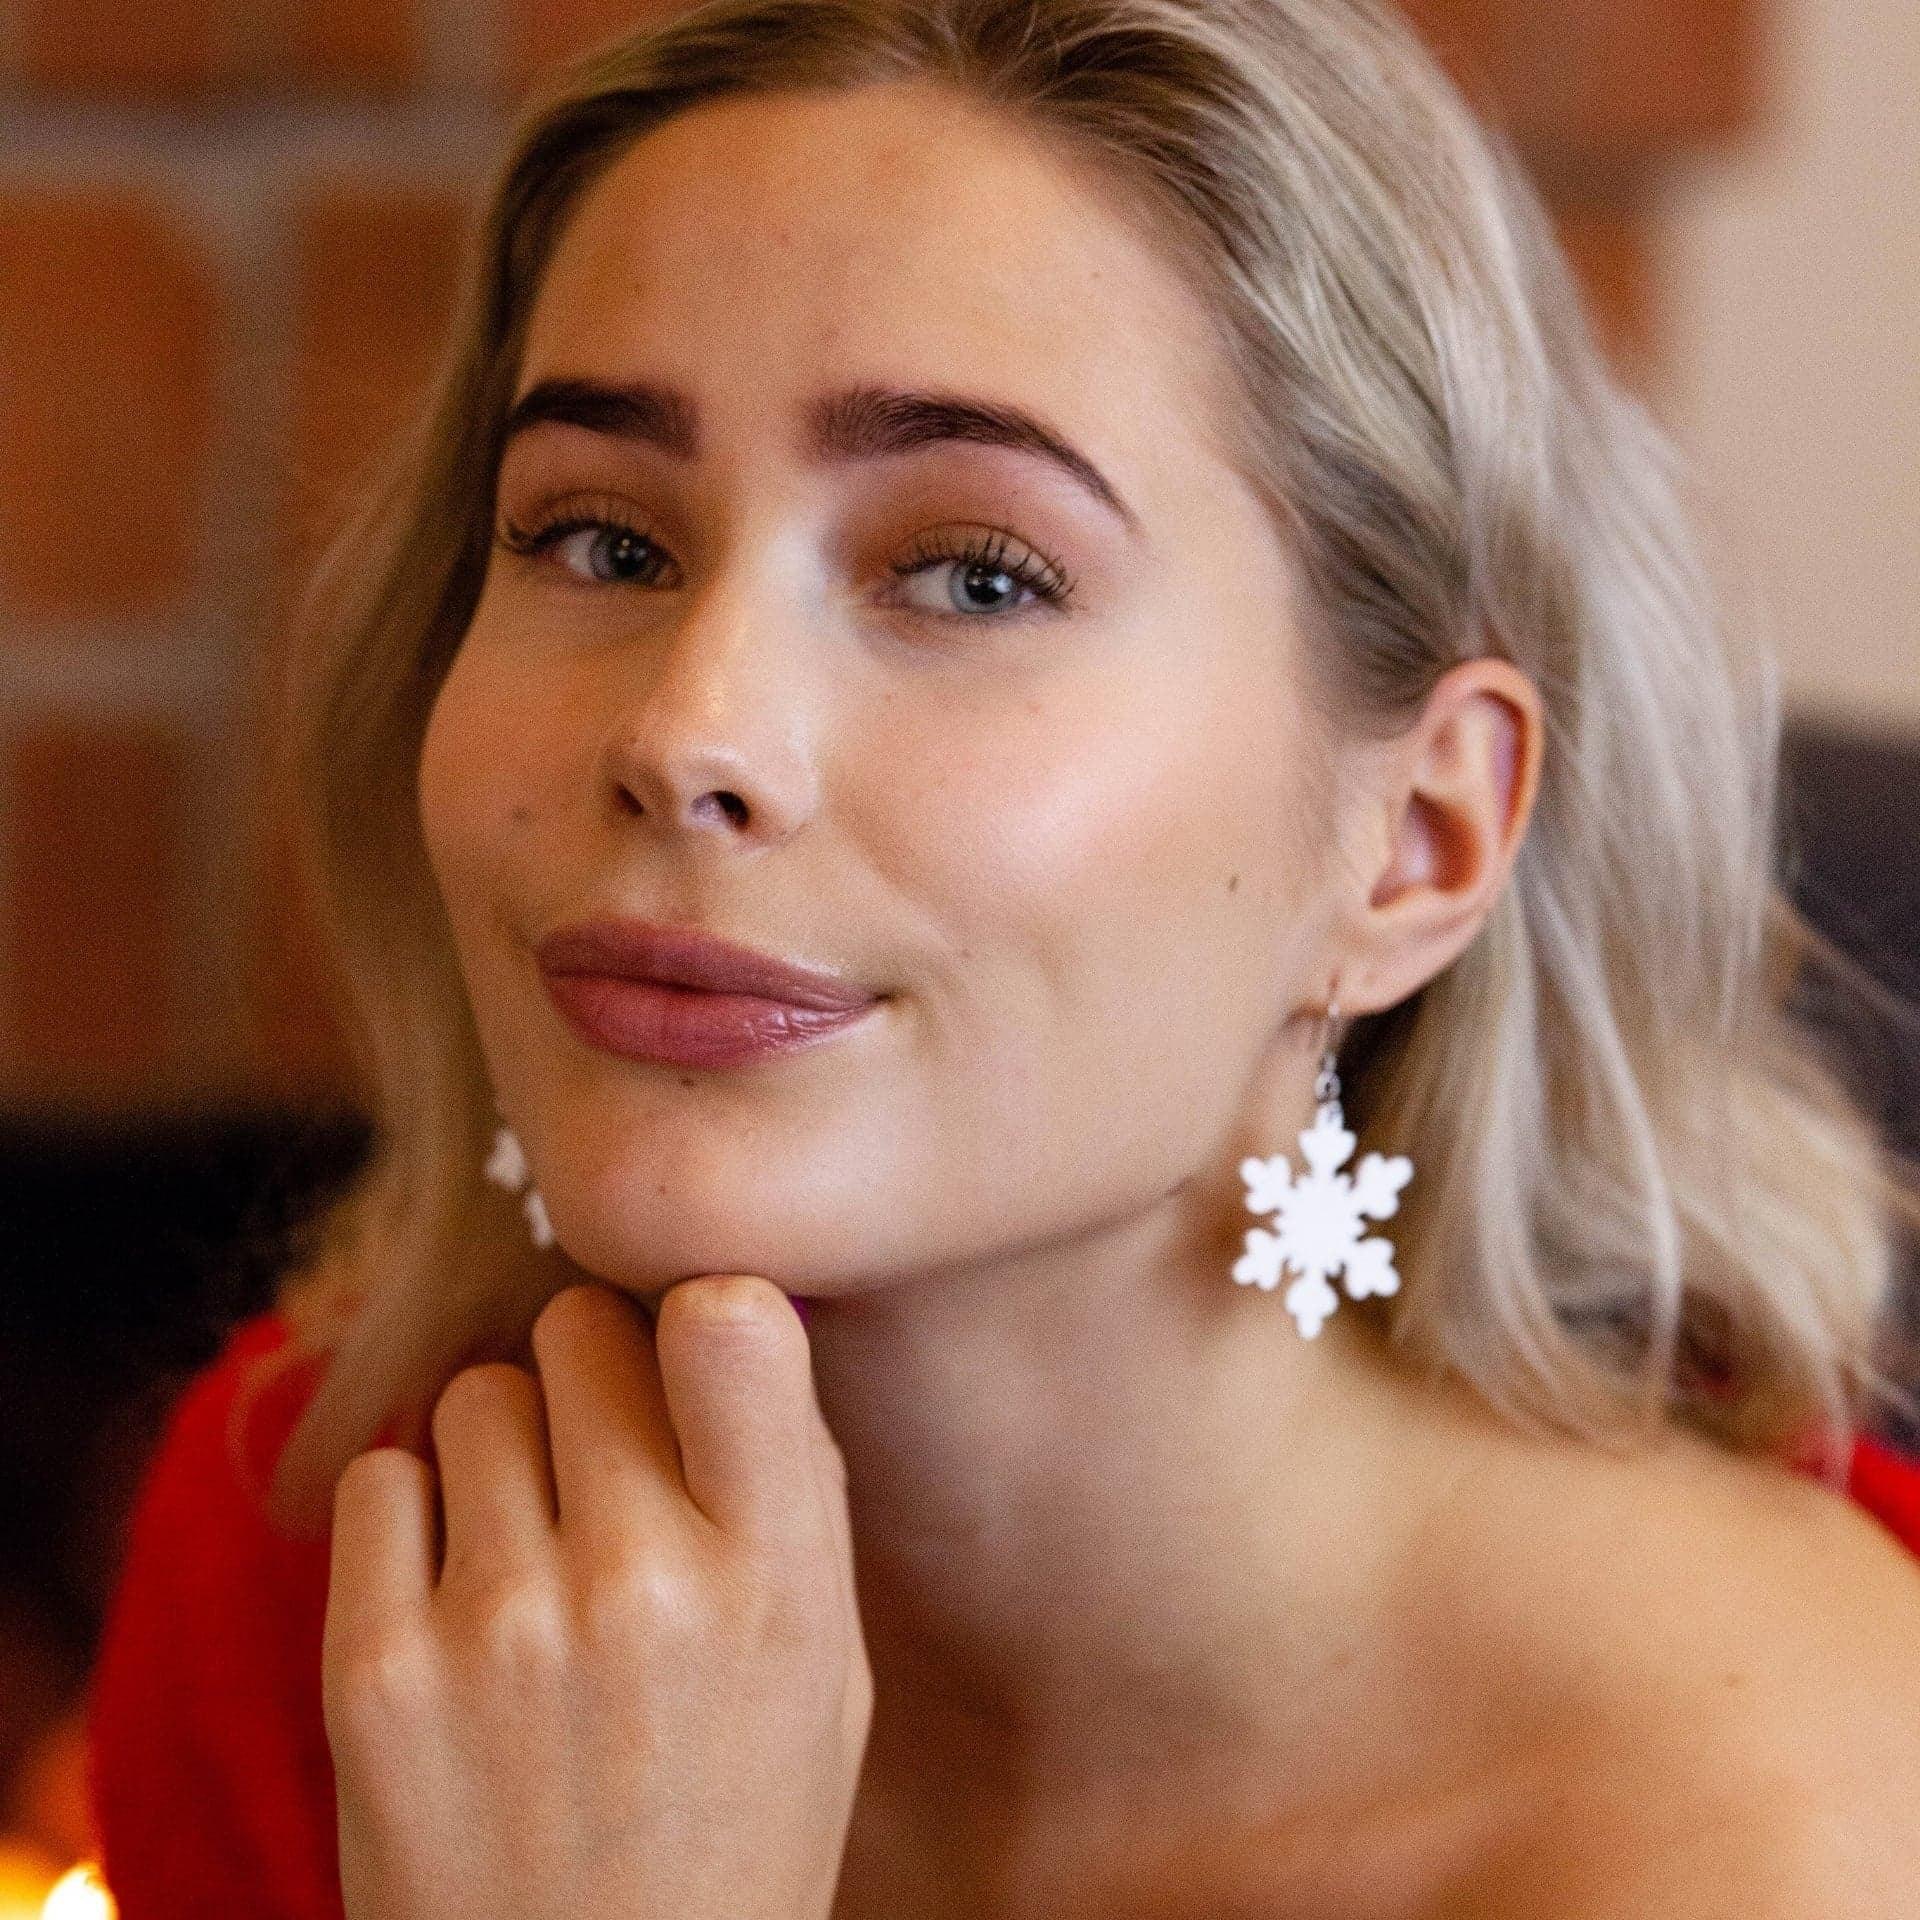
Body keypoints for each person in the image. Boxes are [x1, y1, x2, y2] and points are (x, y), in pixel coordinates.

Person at [84, 0, 1920, 1914]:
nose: (689, 732)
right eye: (601, 542)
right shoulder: (331, 1569)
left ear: (1415, 843)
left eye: (976, 574)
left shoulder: (1781, 1839)